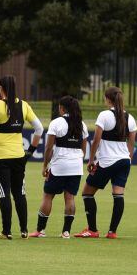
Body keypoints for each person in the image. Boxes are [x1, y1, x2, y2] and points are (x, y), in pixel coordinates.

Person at [0, 76, 43, 239]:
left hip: (1, 157)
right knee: (19, 193)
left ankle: (6, 231)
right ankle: (24, 230)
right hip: (18, 156)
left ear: (1, 88)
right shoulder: (24, 106)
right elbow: (39, 128)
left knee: (4, 193)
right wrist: (31, 150)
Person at [76, 87, 137, 239]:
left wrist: (91, 160)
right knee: (118, 195)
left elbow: (96, 139)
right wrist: (129, 158)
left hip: (107, 162)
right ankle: (112, 232)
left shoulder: (104, 115)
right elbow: (132, 141)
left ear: (108, 99)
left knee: (87, 193)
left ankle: (92, 229)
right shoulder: (130, 117)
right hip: (124, 161)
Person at [30, 96, 87, 239]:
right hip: (76, 166)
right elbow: (83, 149)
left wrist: (45, 165)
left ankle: (40, 230)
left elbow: (49, 147)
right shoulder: (82, 125)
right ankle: (66, 232)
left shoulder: (57, 123)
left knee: (48, 196)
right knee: (70, 198)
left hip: (59, 166)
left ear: (62, 108)